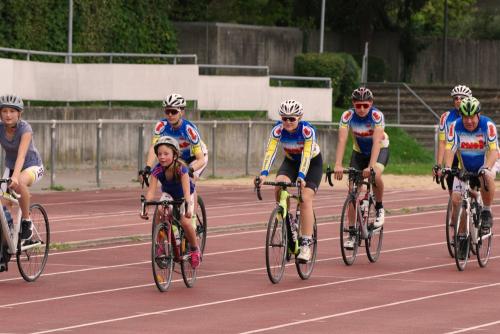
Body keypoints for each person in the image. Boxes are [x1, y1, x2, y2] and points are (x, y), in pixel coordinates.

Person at [258, 100, 322, 263]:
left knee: (305, 198)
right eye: (284, 118)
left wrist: (301, 176)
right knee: (279, 184)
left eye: (292, 119)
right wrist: (263, 174)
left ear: (299, 118)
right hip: (291, 161)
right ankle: (288, 220)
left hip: (311, 164)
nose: (287, 122)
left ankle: (306, 244)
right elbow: (270, 152)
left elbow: (307, 155)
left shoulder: (307, 131)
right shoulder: (278, 130)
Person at [333, 87, 389, 249]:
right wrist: (338, 164)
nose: (362, 109)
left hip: (380, 149)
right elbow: (342, 141)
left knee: (375, 175)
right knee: (352, 192)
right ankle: (352, 233)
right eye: (358, 105)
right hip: (358, 153)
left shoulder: (377, 116)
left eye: (365, 105)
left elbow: (377, 142)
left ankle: (379, 207)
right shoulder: (347, 116)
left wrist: (371, 166)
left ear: (371, 104)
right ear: (353, 104)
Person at [443, 96, 496, 260]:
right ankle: (463, 237)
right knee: (457, 200)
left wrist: (486, 167)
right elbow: (450, 149)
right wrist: (446, 167)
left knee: (485, 177)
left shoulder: (487, 125)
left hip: (486, 162)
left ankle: (486, 211)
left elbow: (494, 151)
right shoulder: (454, 127)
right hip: (465, 167)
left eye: (472, 117)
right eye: (465, 117)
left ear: (478, 115)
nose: (469, 121)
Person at [140, 136, 201, 269]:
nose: (162, 157)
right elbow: (151, 192)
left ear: (175, 155)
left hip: (186, 194)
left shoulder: (181, 169)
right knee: (160, 211)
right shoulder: (157, 170)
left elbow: (186, 192)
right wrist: (146, 207)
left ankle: (194, 249)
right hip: (169, 195)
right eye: (159, 154)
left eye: (166, 154)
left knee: (185, 221)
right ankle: (161, 245)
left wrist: (188, 207)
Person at [0, 94, 44, 241]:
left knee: (19, 182)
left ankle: (27, 221)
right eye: (4, 111)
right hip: (11, 168)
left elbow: (21, 156)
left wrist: (14, 177)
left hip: (32, 165)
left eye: (12, 111)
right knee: (2, 208)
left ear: (19, 113)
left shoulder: (25, 129)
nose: (8, 115)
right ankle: (6, 248)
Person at [141, 93, 208, 182]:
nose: (170, 115)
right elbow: (154, 147)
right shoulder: (161, 126)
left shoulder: (189, 130)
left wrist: (190, 170)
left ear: (182, 112)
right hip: (180, 158)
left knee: (188, 181)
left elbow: (201, 160)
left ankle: (190, 194)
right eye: (167, 111)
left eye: (174, 111)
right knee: (171, 182)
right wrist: (148, 167)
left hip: (196, 158)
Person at [434, 85, 472, 191]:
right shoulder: (445, 117)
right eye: (456, 98)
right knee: (453, 194)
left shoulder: (473, 116)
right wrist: (438, 165)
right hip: (452, 157)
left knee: (470, 190)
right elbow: (442, 142)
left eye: (462, 98)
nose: (458, 101)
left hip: (468, 157)